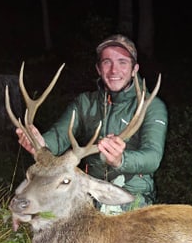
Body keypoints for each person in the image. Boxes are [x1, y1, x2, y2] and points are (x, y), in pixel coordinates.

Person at [16, 34, 168, 208]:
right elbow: (58, 136)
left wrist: (121, 160)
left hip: (132, 197)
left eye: (122, 62)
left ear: (135, 69)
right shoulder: (85, 103)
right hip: (89, 195)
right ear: (98, 68)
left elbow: (153, 157)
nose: (114, 70)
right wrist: (40, 143)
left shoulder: (152, 106)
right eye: (107, 62)